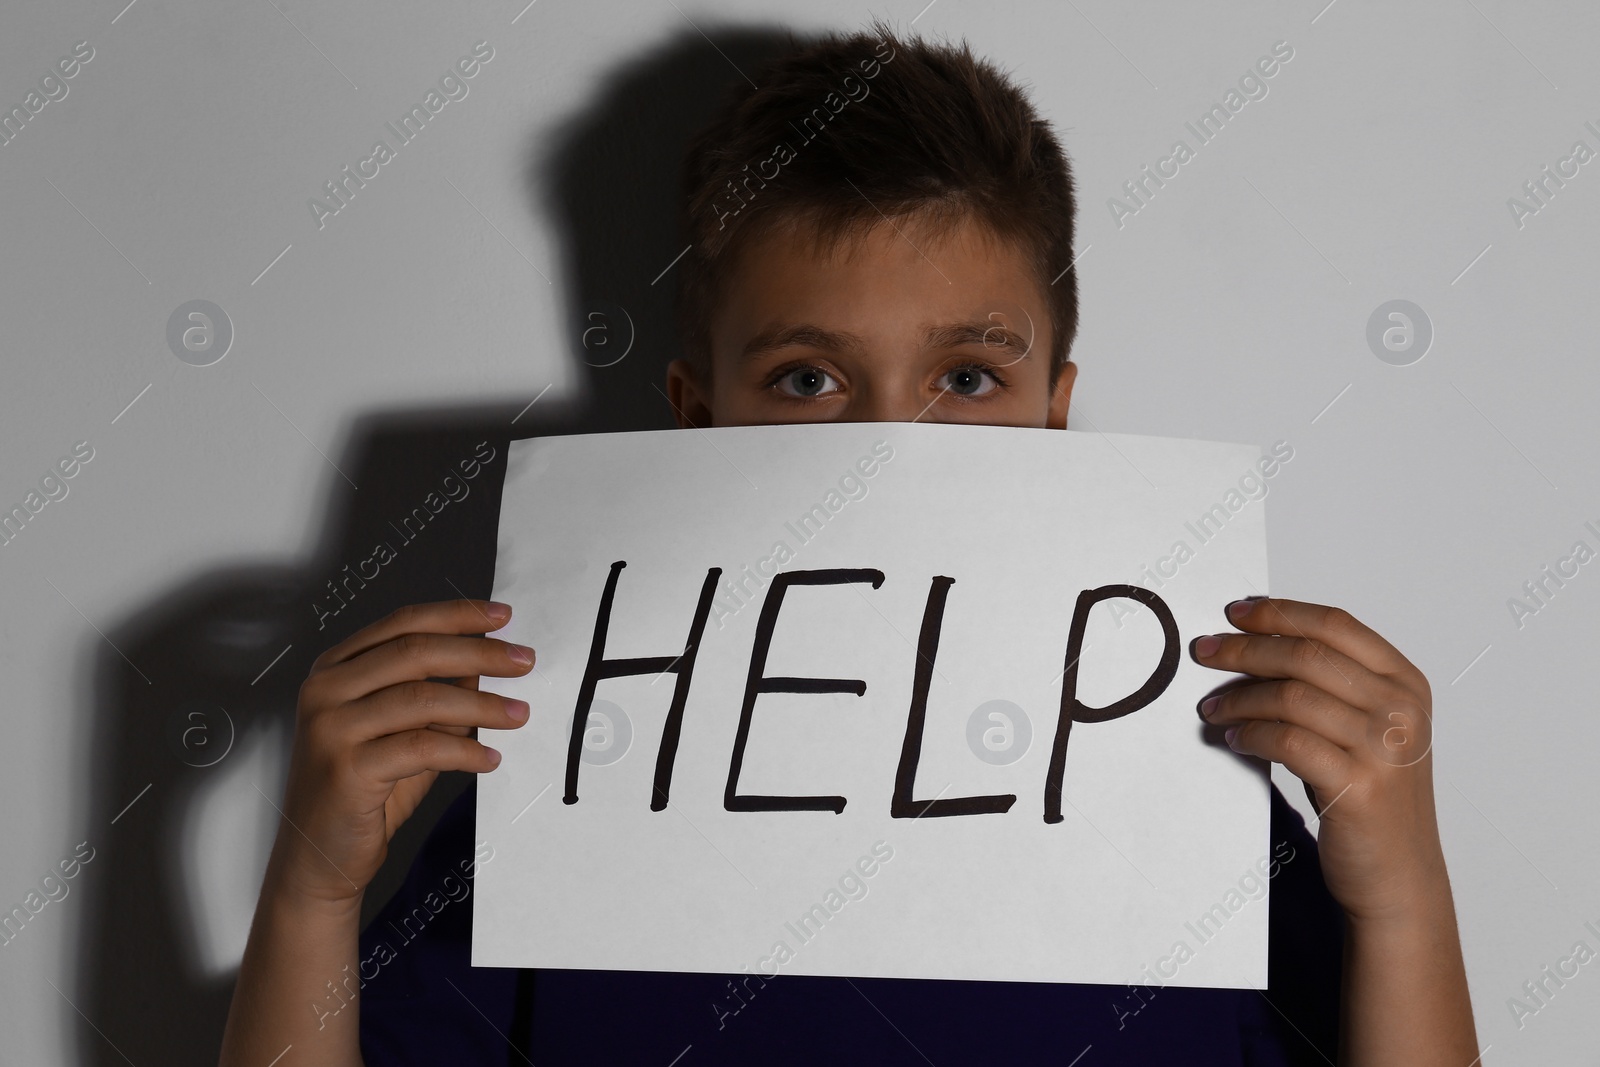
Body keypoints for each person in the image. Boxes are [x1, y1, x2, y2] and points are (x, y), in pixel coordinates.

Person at [219, 19, 1477, 1065]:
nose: (887, 445)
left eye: (968, 378)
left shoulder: (1177, 767)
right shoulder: (570, 777)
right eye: (809, 378)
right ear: (694, 413)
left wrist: (1404, 890)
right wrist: (310, 895)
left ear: (1057, 407)